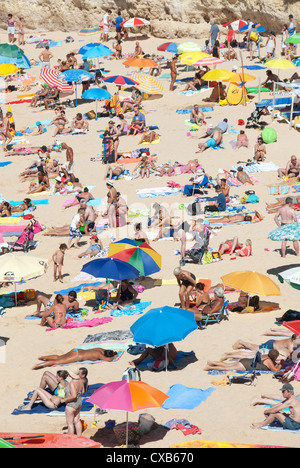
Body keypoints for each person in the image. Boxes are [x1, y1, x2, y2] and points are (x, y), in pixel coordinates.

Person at [228, 334, 299, 361]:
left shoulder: (291, 341)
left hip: (273, 343)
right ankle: (241, 342)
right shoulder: (290, 344)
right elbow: (291, 355)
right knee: (256, 348)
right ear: (294, 339)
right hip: (271, 346)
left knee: (256, 347)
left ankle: (243, 345)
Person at [204, 349, 284, 372]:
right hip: (246, 366)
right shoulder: (269, 361)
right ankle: (209, 367)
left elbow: (271, 365)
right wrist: (281, 364)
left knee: (227, 364)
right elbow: (274, 370)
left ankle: (212, 362)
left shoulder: (265, 356)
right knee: (227, 368)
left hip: (246, 361)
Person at [32, 348, 118, 369]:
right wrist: (114, 356)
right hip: (77, 357)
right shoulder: (100, 355)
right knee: (57, 362)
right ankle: (37, 365)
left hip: (76, 350)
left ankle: (42, 357)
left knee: (59, 357)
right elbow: (108, 360)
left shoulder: (100, 349)